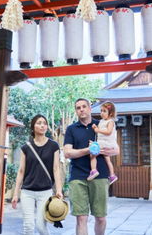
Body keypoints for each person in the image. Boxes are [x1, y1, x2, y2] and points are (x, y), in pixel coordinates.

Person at [64, 98, 119, 235]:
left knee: (100, 217)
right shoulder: (71, 129)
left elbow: (116, 149)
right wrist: (89, 150)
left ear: (90, 108)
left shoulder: (101, 124)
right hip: (78, 176)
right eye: (78, 108)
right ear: (76, 111)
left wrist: (103, 150)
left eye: (84, 106)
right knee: (81, 218)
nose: (81, 109)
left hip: (100, 176)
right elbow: (67, 153)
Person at [12, 114, 63, 235]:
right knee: (28, 226)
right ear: (33, 126)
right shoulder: (26, 147)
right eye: (39, 123)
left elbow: (56, 169)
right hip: (27, 192)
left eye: (44, 123)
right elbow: (21, 171)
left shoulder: (53, 146)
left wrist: (59, 190)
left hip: (45, 191)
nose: (42, 125)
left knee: (41, 226)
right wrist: (15, 193)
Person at [88, 101, 118, 184]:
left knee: (92, 154)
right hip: (103, 142)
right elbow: (100, 129)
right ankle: (112, 175)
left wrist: (97, 130)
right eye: (101, 111)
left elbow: (108, 132)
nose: (102, 113)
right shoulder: (101, 121)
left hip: (106, 143)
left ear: (111, 113)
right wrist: (95, 127)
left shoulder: (111, 122)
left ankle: (94, 170)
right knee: (107, 159)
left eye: (104, 111)